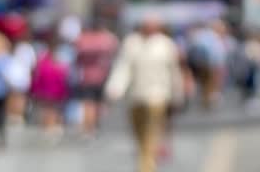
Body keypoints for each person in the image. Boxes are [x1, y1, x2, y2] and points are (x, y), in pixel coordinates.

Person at [105, 16, 183, 172]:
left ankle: (146, 167)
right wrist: (115, 88)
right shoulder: (131, 43)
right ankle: (146, 160)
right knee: (139, 133)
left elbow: (174, 72)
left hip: (158, 96)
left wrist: (177, 95)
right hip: (136, 97)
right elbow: (123, 68)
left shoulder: (166, 45)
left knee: (151, 133)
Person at [75, 18, 118, 137]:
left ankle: (87, 127)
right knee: (97, 102)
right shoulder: (106, 39)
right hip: (102, 75)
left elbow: (77, 54)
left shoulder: (83, 39)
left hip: (86, 76)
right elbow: (114, 47)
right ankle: (93, 125)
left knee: (88, 103)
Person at [30, 38, 70, 143]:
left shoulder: (44, 61)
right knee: (51, 108)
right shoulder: (56, 63)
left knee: (49, 108)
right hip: (52, 89)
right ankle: (50, 126)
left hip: (49, 89)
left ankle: (49, 126)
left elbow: (37, 76)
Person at [6, 33, 36, 125]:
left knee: (13, 96)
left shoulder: (14, 48)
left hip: (13, 75)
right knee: (20, 97)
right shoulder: (28, 48)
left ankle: (12, 115)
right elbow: (32, 64)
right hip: (22, 75)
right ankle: (18, 116)